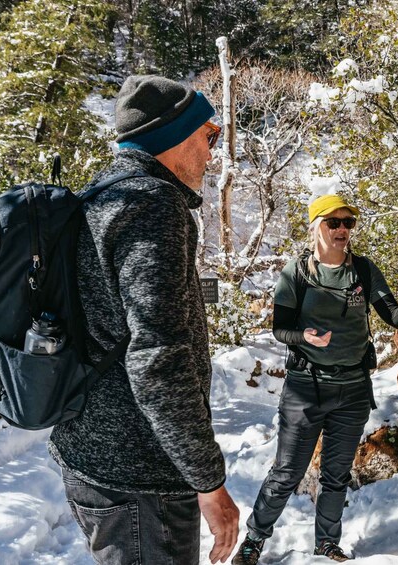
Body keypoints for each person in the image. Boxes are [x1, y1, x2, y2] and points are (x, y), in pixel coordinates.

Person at [47, 75, 238, 565]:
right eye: (209, 136)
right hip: (140, 478)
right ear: (174, 137)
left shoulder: (103, 195)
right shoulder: (151, 206)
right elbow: (157, 358)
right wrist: (207, 480)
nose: (212, 153)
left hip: (93, 454)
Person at [233, 194, 398, 564]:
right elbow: (280, 328)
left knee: (336, 476)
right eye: (334, 222)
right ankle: (254, 540)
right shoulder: (297, 272)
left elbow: (392, 316)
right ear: (317, 227)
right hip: (305, 390)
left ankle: (326, 544)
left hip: (353, 390)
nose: (343, 229)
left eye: (348, 223)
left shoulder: (363, 270)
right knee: (286, 473)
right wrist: (304, 337)